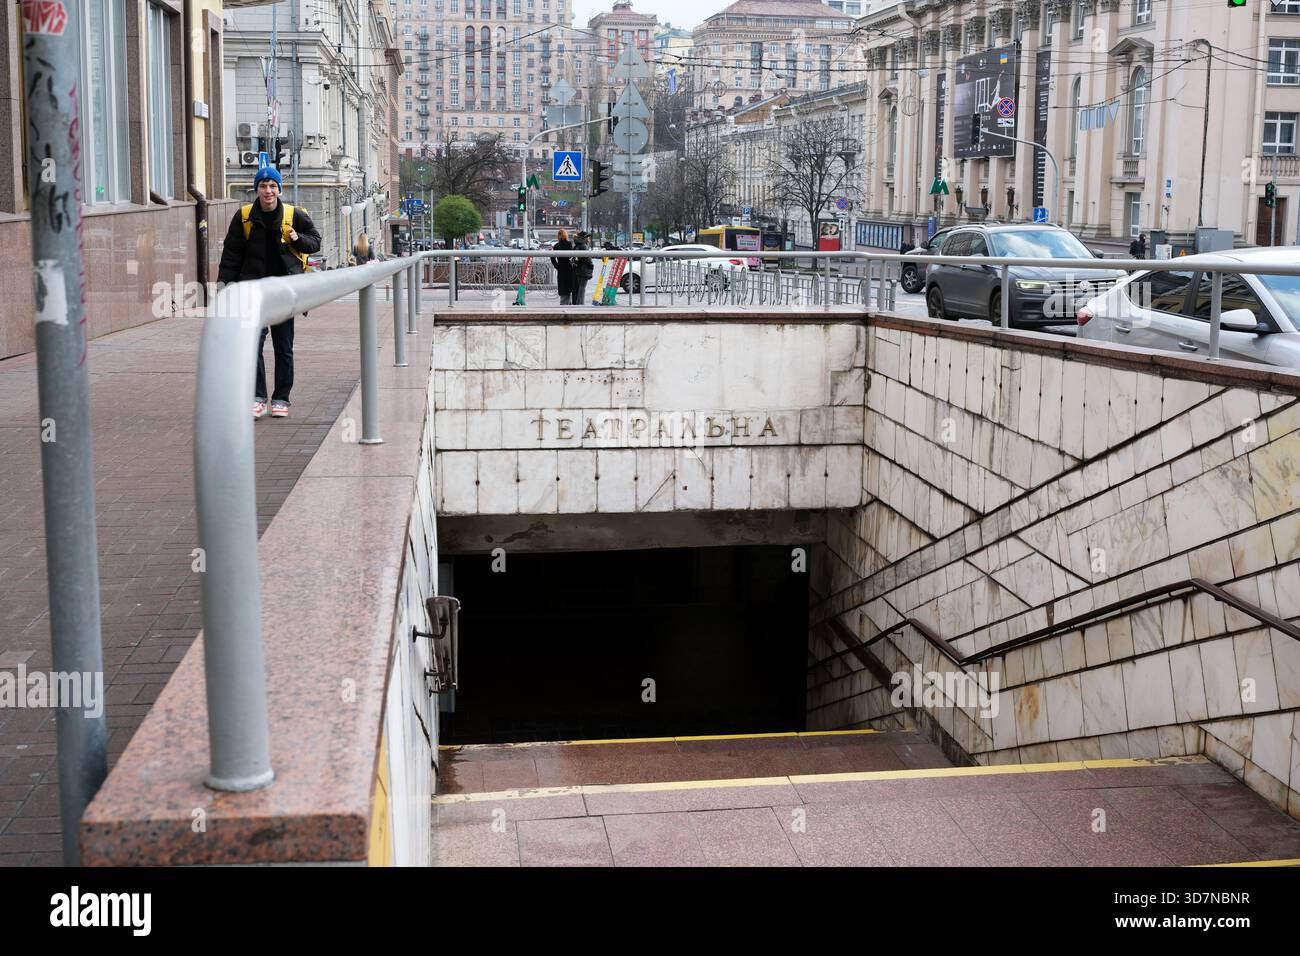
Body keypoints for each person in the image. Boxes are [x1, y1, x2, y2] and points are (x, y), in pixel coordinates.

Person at [217, 166, 322, 420]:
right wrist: (224, 285)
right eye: (263, 186)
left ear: (279, 189)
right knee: (253, 345)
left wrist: (297, 239)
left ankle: (282, 397)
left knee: (283, 347)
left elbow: (315, 241)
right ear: (257, 189)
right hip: (253, 292)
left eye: (272, 186)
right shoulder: (243, 217)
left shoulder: (293, 215)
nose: (268, 191)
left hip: (284, 291)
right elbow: (232, 254)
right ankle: (257, 397)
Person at [571, 232, 594, 305]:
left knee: (580, 288)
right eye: (587, 237)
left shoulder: (577, 245)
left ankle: (579, 304)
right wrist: (591, 266)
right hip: (584, 269)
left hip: (578, 269)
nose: (589, 239)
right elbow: (588, 259)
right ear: (584, 238)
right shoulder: (584, 246)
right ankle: (580, 304)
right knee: (582, 288)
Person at [553, 228, 574, 303]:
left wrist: (557, 266)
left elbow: (552, 258)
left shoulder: (556, 246)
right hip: (569, 268)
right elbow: (572, 256)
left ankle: (563, 303)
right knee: (569, 287)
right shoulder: (569, 244)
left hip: (561, 268)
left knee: (562, 288)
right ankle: (569, 303)